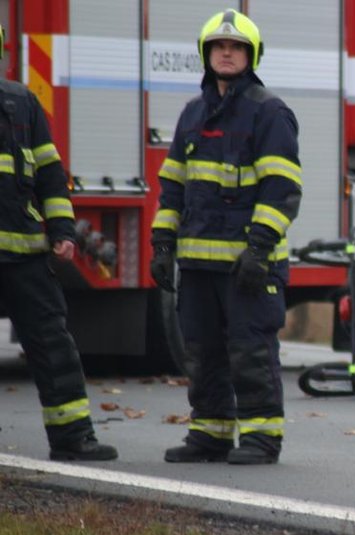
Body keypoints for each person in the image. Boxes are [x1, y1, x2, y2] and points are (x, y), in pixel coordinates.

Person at [151, 9, 302, 465]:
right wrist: (162, 245)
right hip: (197, 263)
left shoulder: (269, 113)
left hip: (248, 264)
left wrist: (259, 249)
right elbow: (173, 187)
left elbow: (282, 189)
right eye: (219, 46)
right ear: (206, 54)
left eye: (236, 47)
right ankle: (210, 432)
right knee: (203, 351)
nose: (227, 53)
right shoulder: (193, 115)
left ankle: (261, 436)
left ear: (251, 55)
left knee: (251, 349)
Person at [0, 25, 117, 462]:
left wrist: (64, 232)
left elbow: (51, 176)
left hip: (26, 253)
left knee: (53, 345)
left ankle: (72, 437)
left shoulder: (21, 103)